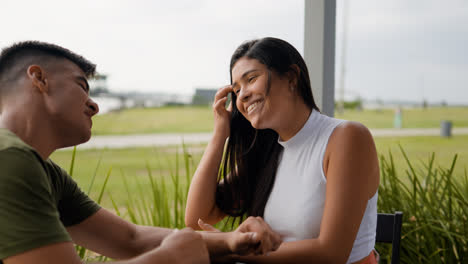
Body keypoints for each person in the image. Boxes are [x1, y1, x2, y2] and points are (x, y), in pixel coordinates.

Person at [0, 41, 281, 264]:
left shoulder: (44, 173)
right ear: (38, 78)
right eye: (81, 86)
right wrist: (171, 258)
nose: (94, 105)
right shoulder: (10, 160)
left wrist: (230, 242)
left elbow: (130, 239)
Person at [185, 37, 380, 264]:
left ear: (291, 77)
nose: (243, 95)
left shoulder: (346, 138)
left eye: (251, 79)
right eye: (236, 90)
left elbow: (331, 254)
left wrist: (232, 248)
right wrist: (220, 134)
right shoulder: (268, 153)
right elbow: (197, 217)